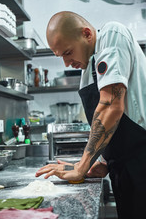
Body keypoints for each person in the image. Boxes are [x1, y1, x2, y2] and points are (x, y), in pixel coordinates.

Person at [35, 11, 146, 218]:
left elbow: (111, 105)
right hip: (121, 170)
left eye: (68, 53)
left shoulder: (112, 35)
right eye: (61, 57)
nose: (67, 63)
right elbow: (112, 125)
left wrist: (81, 166)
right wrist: (101, 162)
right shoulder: (87, 72)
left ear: (86, 34)